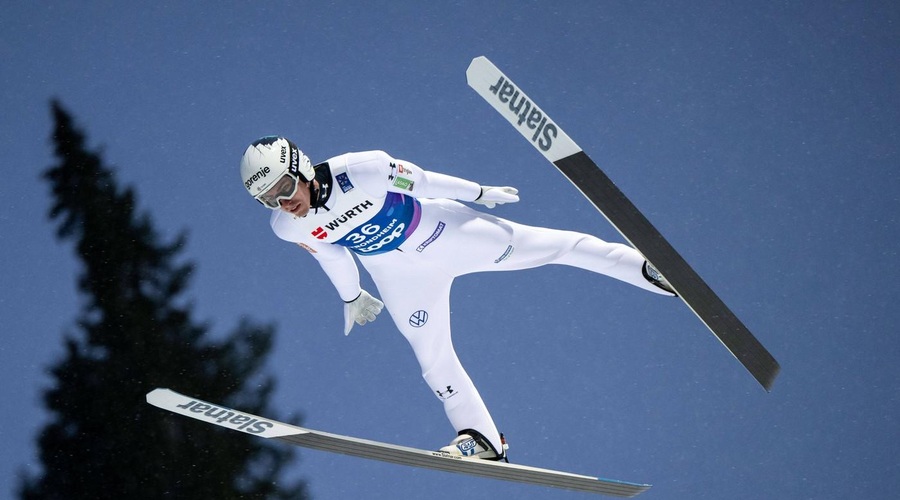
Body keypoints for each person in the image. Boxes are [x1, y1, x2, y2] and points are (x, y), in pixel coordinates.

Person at [239, 136, 675, 461]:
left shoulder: (364, 169)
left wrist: (478, 192)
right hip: (398, 274)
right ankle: (483, 438)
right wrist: (352, 297)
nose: (282, 202)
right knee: (432, 357)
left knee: (559, 246)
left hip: (447, 234)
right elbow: (331, 256)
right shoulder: (287, 226)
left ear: (302, 168)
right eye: (267, 199)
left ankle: (647, 269)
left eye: (283, 187)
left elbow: (424, 182)